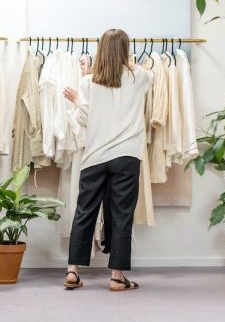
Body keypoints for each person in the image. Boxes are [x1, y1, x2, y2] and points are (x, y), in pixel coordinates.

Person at [63, 29, 150, 291]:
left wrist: (78, 99)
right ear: (126, 50)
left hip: (95, 157)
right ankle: (116, 277)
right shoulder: (140, 76)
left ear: (100, 50)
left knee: (84, 211)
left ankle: (72, 272)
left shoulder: (89, 83)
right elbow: (145, 73)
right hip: (127, 155)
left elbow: (84, 120)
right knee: (121, 215)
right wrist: (125, 60)